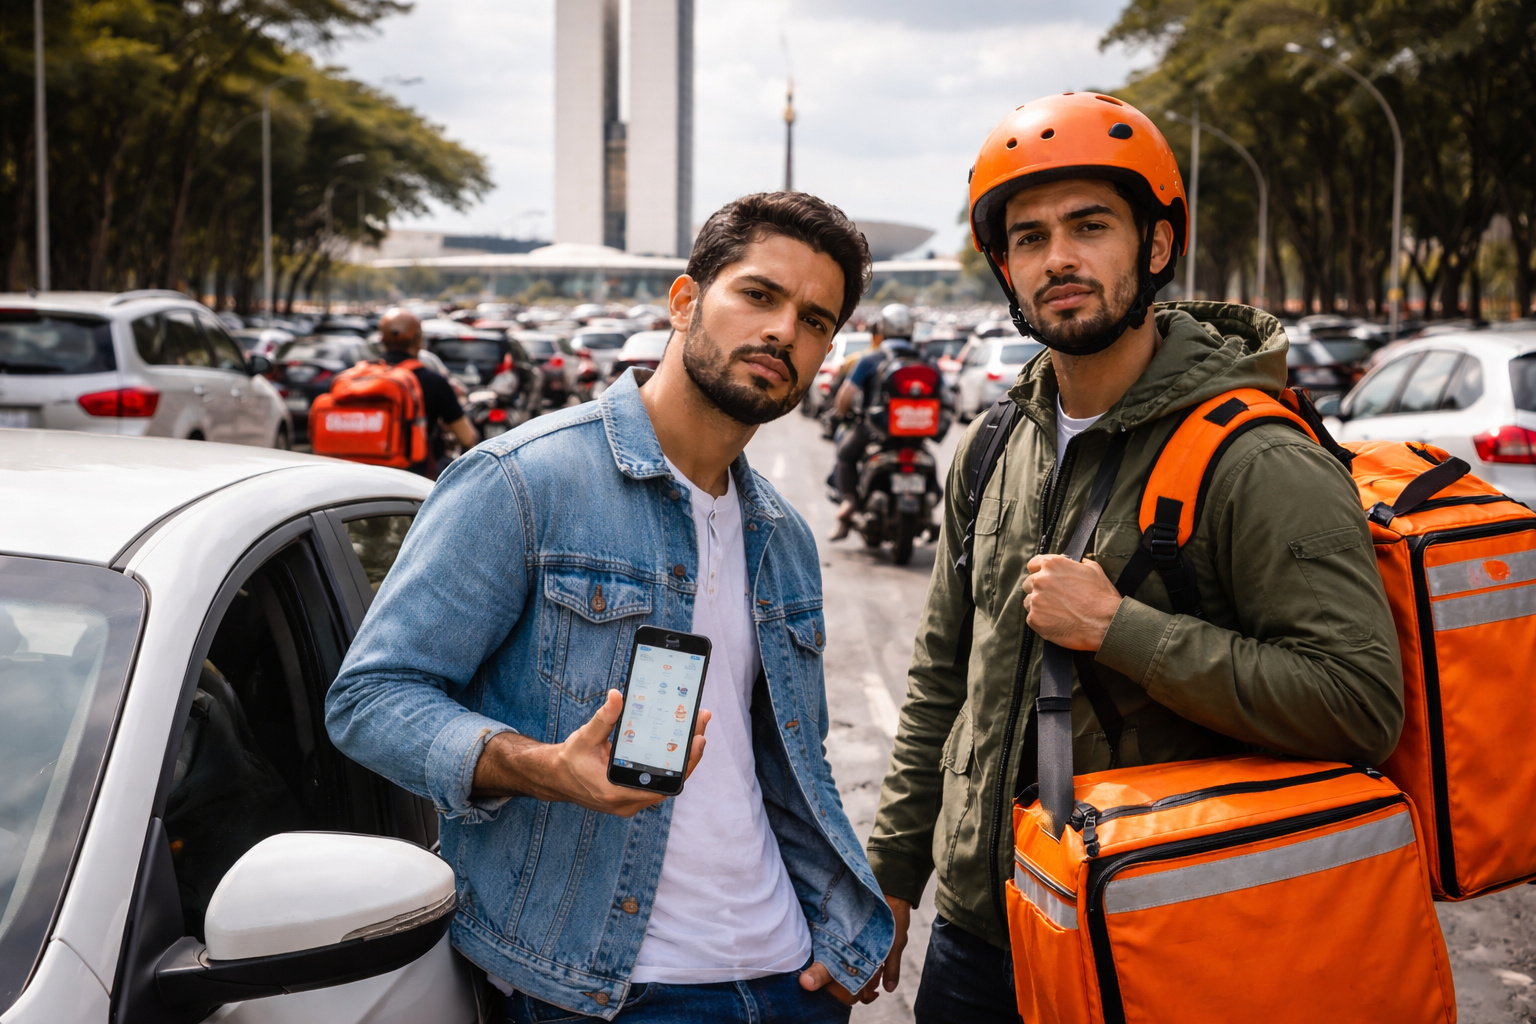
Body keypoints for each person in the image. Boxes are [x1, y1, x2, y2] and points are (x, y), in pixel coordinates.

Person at [865, 93, 1403, 1022]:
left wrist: (1121, 629)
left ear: (1156, 246)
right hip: (976, 941)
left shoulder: (1257, 459)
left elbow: (1359, 704)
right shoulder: (992, 443)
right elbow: (942, 678)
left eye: (1090, 226)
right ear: (1004, 269)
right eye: (1028, 239)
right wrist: (894, 873)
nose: (1058, 258)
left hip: (1151, 940)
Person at [325, 192, 894, 1023]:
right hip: (605, 990)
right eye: (760, 295)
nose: (784, 333)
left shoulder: (786, 537)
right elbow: (371, 700)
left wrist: (842, 932)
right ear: (685, 300)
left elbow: (790, 764)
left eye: (816, 320)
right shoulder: (524, 481)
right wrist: (543, 768)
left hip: (793, 977)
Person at [828, 302, 920, 539]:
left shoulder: (870, 359)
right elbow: (947, 396)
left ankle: (848, 502)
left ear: (881, 329)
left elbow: (845, 397)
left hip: (874, 430)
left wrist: (840, 414)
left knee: (845, 455)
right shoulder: (924, 359)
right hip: (917, 434)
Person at [377, 308, 478, 477]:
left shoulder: (359, 377)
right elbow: (468, 438)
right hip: (413, 479)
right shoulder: (433, 381)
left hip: (360, 473)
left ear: (382, 340)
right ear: (419, 341)